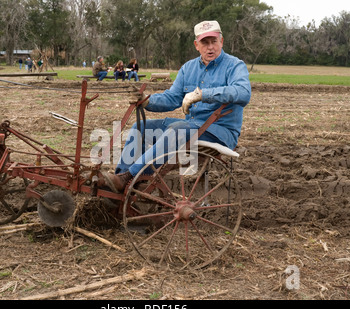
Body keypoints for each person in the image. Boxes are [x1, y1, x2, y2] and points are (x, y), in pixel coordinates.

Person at [98, 20, 251, 192]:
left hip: (219, 131)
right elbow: (172, 98)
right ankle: (120, 182)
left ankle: (128, 177)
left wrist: (203, 94)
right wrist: (147, 100)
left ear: (221, 41)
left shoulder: (234, 66)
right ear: (196, 45)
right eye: (205, 42)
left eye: (214, 41)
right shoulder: (188, 68)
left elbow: (243, 92)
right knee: (140, 128)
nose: (210, 47)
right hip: (191, 128)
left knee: (176, 129)